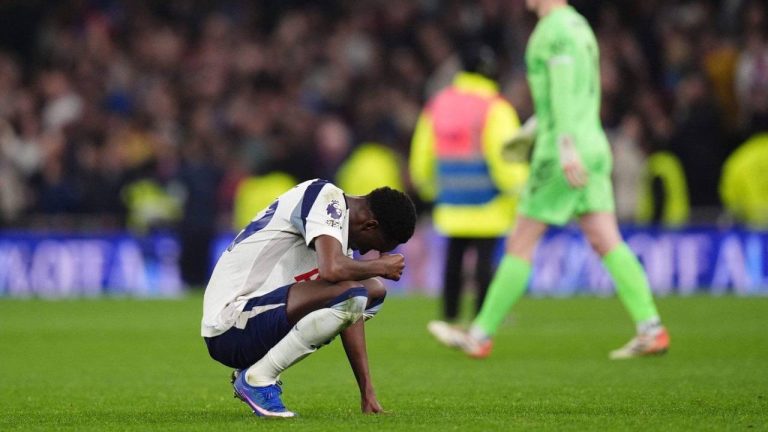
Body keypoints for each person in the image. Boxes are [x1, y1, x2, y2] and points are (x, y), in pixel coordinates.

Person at [429, 0, 669, 360]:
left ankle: (480, 334)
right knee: (606, 238)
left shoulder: (552, 31)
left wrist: (564, 146)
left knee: (520, 243)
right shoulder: (579, 27)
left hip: (562, 152)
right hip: (593, 142)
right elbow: (577, 93)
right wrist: (536, 130)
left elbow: (560, 93)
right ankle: (650, 326)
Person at [202, 179, 416, 417]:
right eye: (375, 246)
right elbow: (332, 270)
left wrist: (367, 391)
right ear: (370, 225)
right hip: (231, 323)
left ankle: (257, 371)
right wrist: (381, 266)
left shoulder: (336, 234)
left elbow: (350, 311)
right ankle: (258, 379)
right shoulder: (324, 198)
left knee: (372, 292)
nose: (366, 253)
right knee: (353, 290)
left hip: (258, 321)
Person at [410, 43, 527, 327]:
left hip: (451, 196)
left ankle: (450, 313)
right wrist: (519, 185)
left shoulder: (439, 103)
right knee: (485, 259)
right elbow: (506, 154)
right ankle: (483, 316)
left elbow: (423, 149)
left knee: (454, 255)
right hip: (487, 198)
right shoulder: (495, 106)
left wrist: (427, 185)